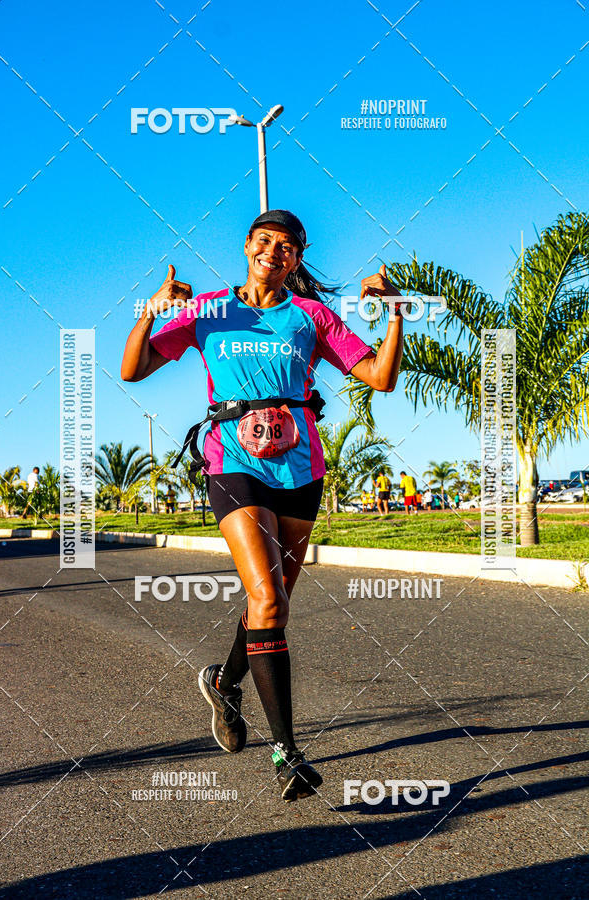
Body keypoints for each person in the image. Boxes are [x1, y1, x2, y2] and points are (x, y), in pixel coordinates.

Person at [121, 209, 404, 802]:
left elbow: (379, 377)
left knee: (268, 604)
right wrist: (153, 308)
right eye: (266, 240)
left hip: (300, 472)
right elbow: (134, 368)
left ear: (298, 258)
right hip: (233, 464)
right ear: (248, 245)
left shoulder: (312, 317)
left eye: (289, 246)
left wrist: (397, 312)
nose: (276, 250)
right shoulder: (210, 311)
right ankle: (287, 754)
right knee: (268, 597)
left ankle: (225, 682)